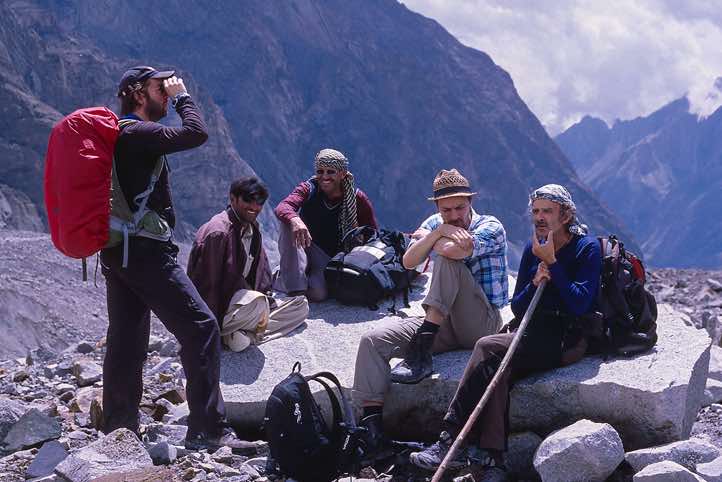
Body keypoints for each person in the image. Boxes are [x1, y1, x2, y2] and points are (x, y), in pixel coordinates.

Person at [408, 184, 601, 473]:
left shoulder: (587, 248)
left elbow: (580, 305)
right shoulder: (532, 247)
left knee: (488, 347)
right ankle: (493, 459)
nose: (539, 217)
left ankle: (449, 438)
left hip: (566, 340)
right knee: (497, 371)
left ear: (565, 215)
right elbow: (520, 306)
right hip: (530, 332)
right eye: (536, 211)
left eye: (547, 211)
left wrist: (553, 265)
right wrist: (536, 280)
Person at [101, 65, 240, 451]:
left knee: (126, 339)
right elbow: (195, 132)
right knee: (201, 327)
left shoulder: (119, 133)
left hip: (117, 250)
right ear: (136, 93)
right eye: (157, 87)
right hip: (145, 250)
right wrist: (183, 97)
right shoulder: (137, 131)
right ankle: (209, 429)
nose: (165, 91)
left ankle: (118, 427)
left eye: (168, 87)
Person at [352, 168, 508, 453]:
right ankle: (371, 430)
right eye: (446, 209)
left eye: (460, 207)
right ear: (437, 207)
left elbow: (457, 252)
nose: (454, 215)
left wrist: (433, 239)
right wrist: (440, 231)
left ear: (470, 202)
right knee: (372, 341)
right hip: (442, 320)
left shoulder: (491, 226)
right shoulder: (437, 223)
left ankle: (421, 352)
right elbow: (409, 260)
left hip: (481, 323)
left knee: (448, 262)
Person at [188, 176, 308, 352]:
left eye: (259, 202)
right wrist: (207, 333)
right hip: (222, 310)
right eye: (248, 200)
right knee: (258, 302)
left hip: (245, 307)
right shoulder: (218, 234)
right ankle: (232, 333)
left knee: (300, 305)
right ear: (233, 198)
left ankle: (244, 335)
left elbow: (260, 273)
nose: (254, 207)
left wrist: (267, 301)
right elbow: (207, 286)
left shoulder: (251, 228)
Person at [273, 148, 378, 301]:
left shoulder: (357, 199)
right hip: (303, 244)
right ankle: (296, 291)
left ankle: (283, 277)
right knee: (287, 221)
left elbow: (371, 232)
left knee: (318, 293)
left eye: (331, 172)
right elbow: (283, 207)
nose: (324, 177)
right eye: (320, 172)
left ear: (342, 174)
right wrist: (296, 220)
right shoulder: (309, 188)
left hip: (328, 255)